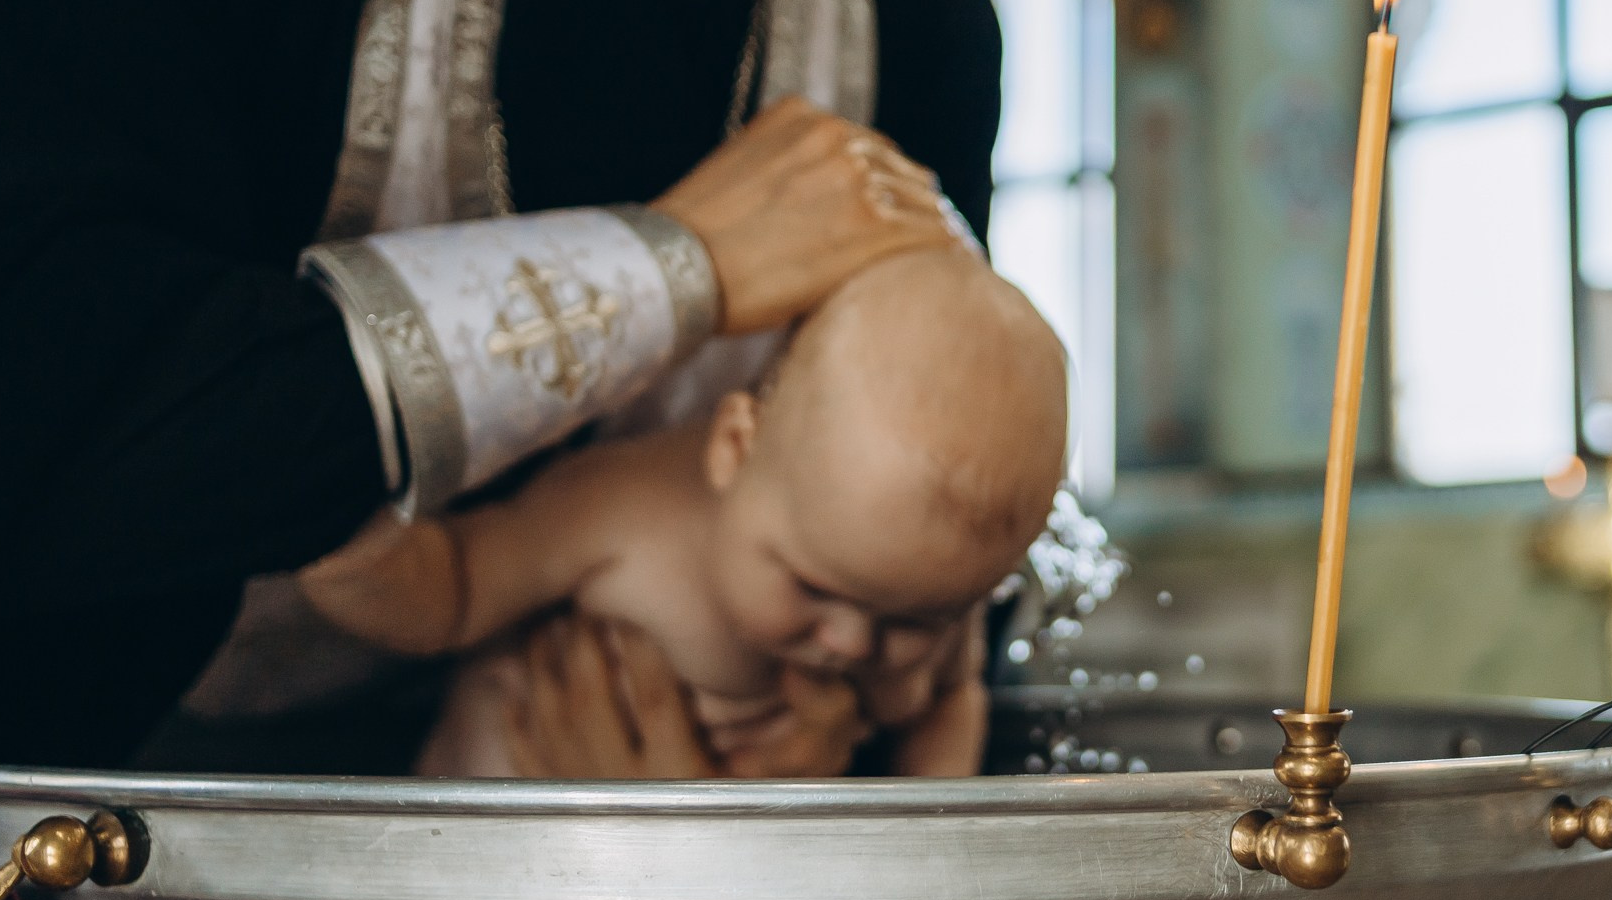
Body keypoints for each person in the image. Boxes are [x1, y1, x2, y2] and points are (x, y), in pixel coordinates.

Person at [0, 0, 1007, 767]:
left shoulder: (923, 19)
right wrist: (671, 267)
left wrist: (828, 714)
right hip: (94, 786)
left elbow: (950, 509)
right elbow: (17, 401)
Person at [298, 250, 1068, 780]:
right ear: (735, 448)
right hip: (489, 829)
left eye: (913, 622)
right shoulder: (631, 509)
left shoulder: (928, 582)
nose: (852, 642)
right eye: (813, 587)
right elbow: (464, 581)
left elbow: (950, 705)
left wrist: (926, 833)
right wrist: (339, 549)